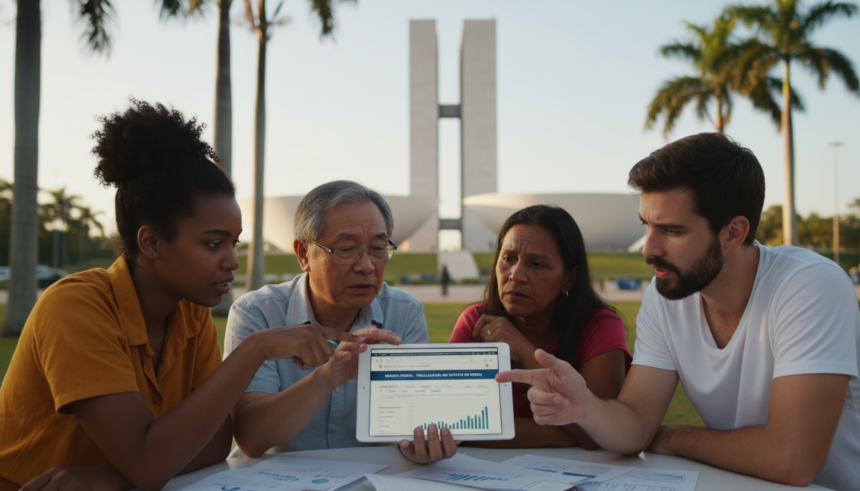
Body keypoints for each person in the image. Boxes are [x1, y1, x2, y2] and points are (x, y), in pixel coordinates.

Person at [0, 100, 364, 491]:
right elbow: (147, 462)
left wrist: (107, 478)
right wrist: (255, 348)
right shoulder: (76, 307)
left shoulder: (189, 315)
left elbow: (212, 444)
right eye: (213, 244)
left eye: (234, 244)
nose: (232, 262)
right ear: (152, 241)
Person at [498, 133, 860, 490]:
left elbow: (791, 461)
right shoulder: (665, 295)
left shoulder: (810, 285)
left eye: (671, 230)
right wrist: (585, 407)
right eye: (647, 226)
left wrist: (672, 439)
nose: (649, 249)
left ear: (734, 232)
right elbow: (636, 424)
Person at [225, 180, 456, 464]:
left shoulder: (404, 313)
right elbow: (251, 438)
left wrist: (417, 444)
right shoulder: (258, 313)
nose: (367, 266)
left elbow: (410, 423)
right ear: (303, 254)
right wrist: (325, 378)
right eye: (347, 249)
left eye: (378, 248)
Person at [450, 205, 631, 449]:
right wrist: (564, 435)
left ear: (569, 277)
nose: (517, 275)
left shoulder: (599, 326)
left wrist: (525, 351)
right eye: (508, 258)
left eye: (537, 264)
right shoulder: (477, 321)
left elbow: (599, 433)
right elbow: (453, 421)